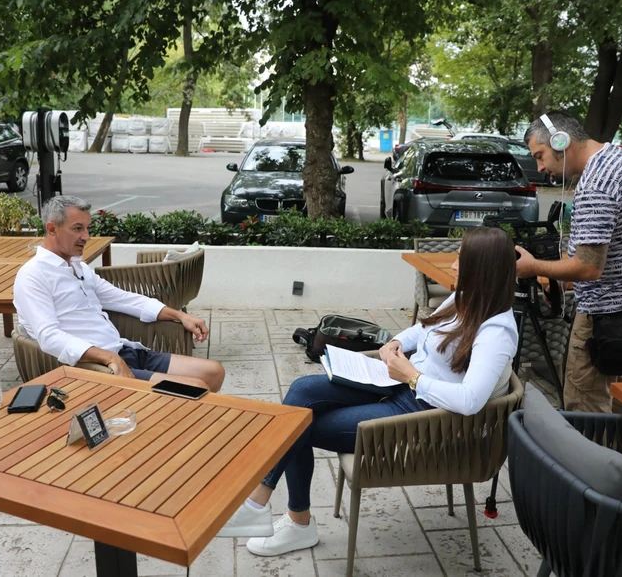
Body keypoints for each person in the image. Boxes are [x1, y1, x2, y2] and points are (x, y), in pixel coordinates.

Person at [217, 227, 518, 556]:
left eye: (462, 258)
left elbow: (471, 401)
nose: (454, 264)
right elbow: (423, 329)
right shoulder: (465, 298)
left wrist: (413, 376)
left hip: (421, 416)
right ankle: (265, 504)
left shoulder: (497, 331)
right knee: (302, 391)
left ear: (482, 268)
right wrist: (395, 343)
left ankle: (287, 517)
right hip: (397, 384)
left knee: (297, 425)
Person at [515, 110, 622, 413]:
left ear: (561, 142)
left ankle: (591, 446)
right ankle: (621, 445)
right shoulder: (620, 159)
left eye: (540, 156)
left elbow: (588, 267)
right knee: (617, 395)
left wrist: (533, 267)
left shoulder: (596, 185)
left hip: (609, 313)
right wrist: (559, 280)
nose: (540, 167)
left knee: (585, 404)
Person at [13, 195, 225, 391]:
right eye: (77, 228)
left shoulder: (79, 268)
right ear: (52, 229)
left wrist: (180, 315)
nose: (86, 236)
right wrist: (108, 358)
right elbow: (49, 337)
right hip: (97, 367)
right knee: (196, 388)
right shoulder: (33, 276)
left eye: (87, 228)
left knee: (214, 372)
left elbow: (124, 299)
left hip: (123, 351)